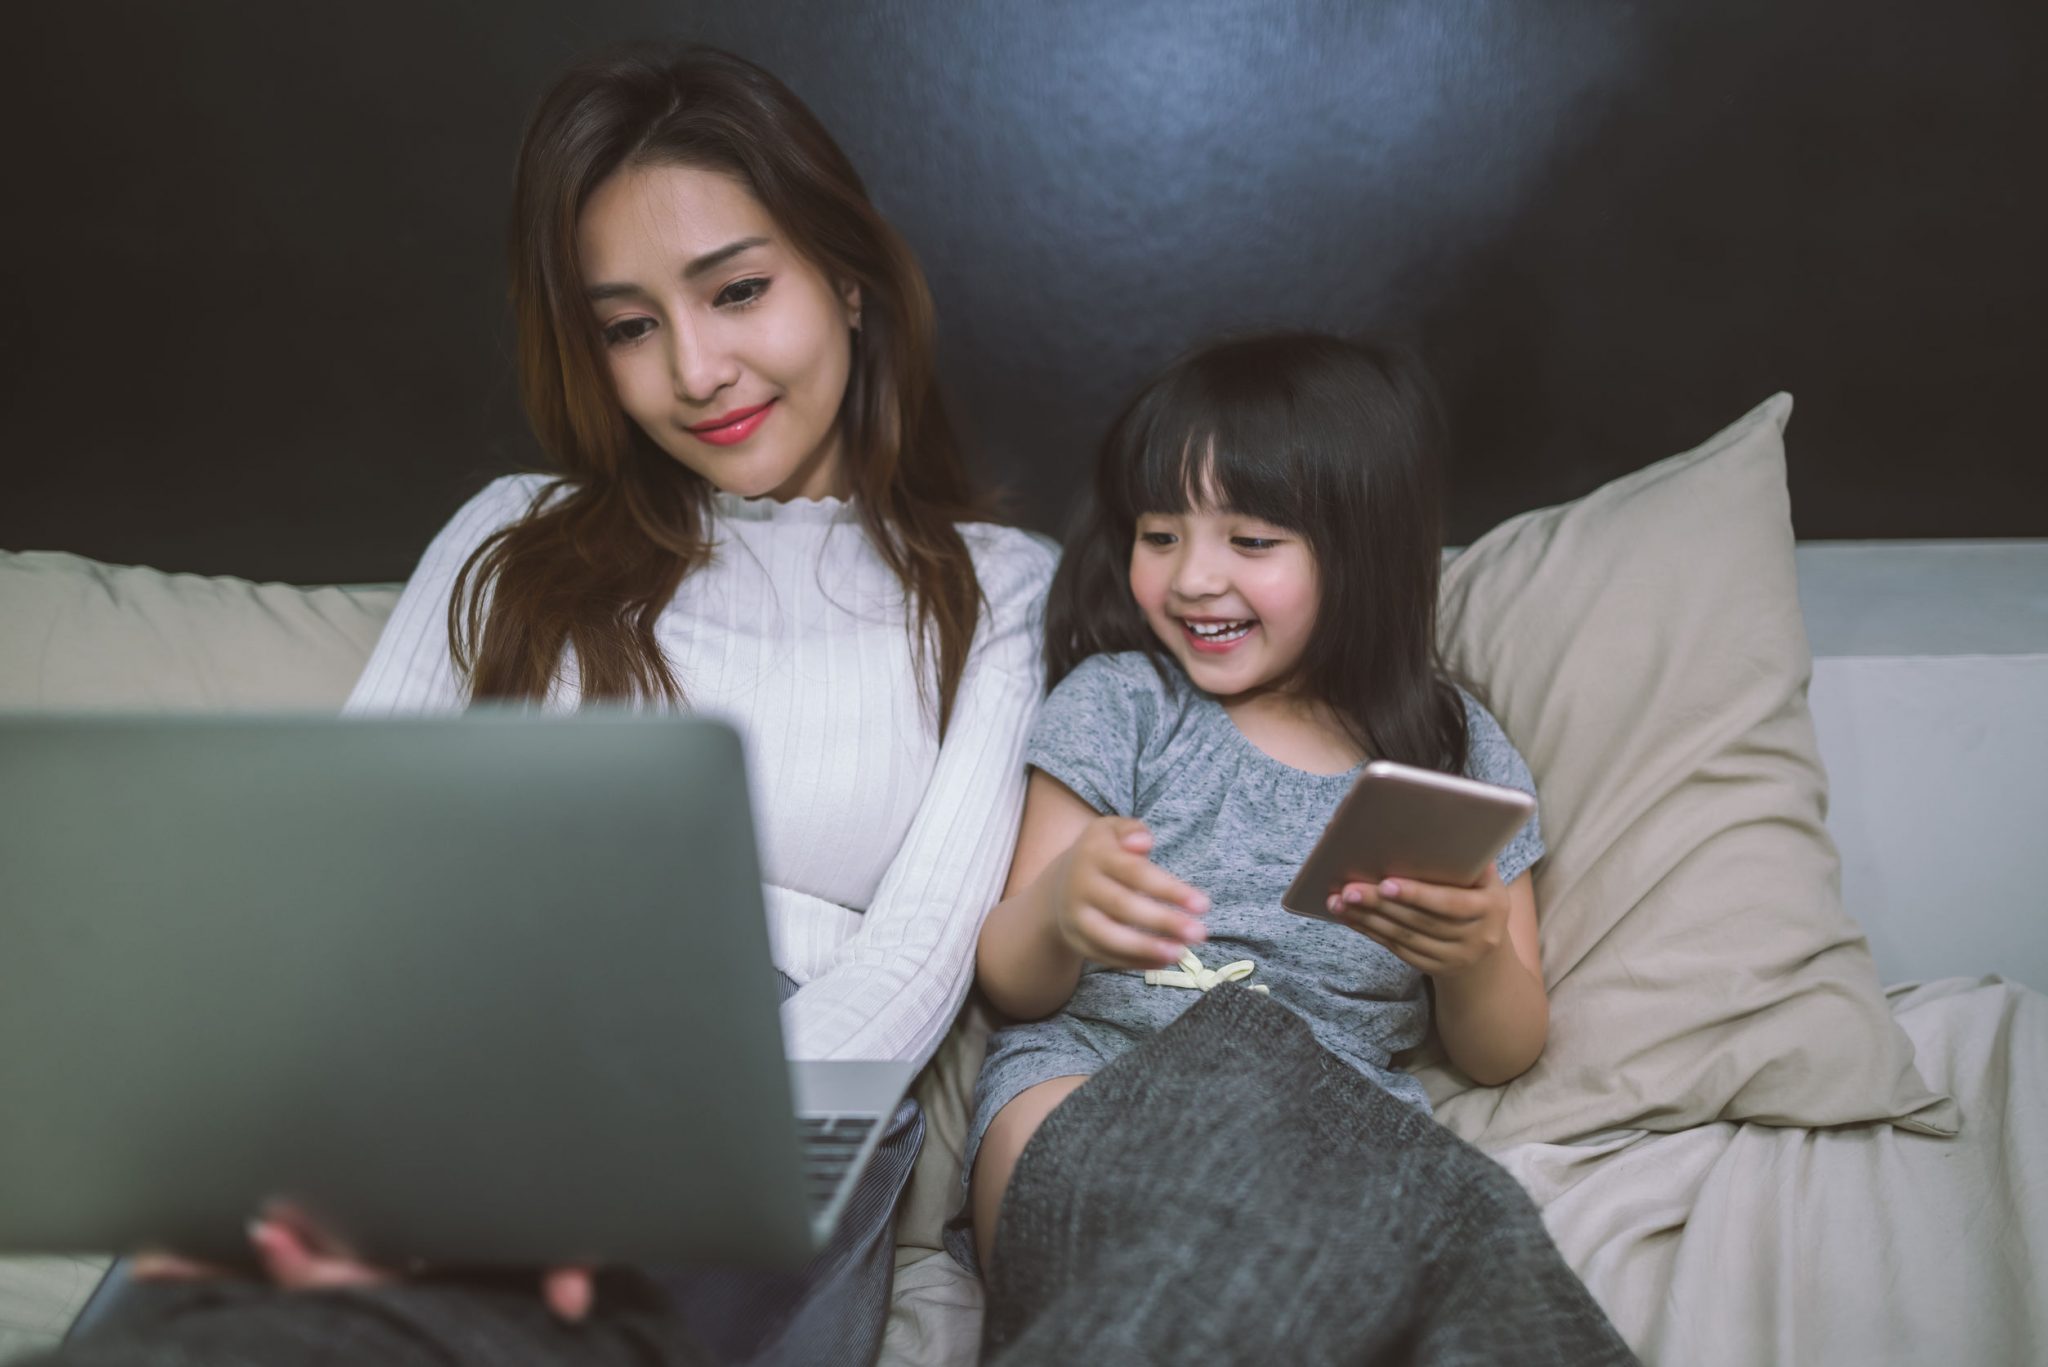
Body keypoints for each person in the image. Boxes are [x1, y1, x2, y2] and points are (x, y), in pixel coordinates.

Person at [45, 41, 1054, 1367]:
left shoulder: (995, 585)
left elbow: (920, 953)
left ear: (848, 279)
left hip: (773, 1085)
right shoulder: (513, 530)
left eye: (738, 290)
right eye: (630, 325)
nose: (696, 369)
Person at [949, 333, 1638, 1363]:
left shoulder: (1450, 753)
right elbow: (1011, 979)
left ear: (1357, 551)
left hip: (1334, 1126)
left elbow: (1501, 1048)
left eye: (1251, 541)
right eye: (1158, 533)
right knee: (1247, 1069)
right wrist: (1057, 909)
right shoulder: (1121, 704)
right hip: (1087, 1084)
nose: (1191, 578)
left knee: (1475, 1225)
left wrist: (1474, 953)